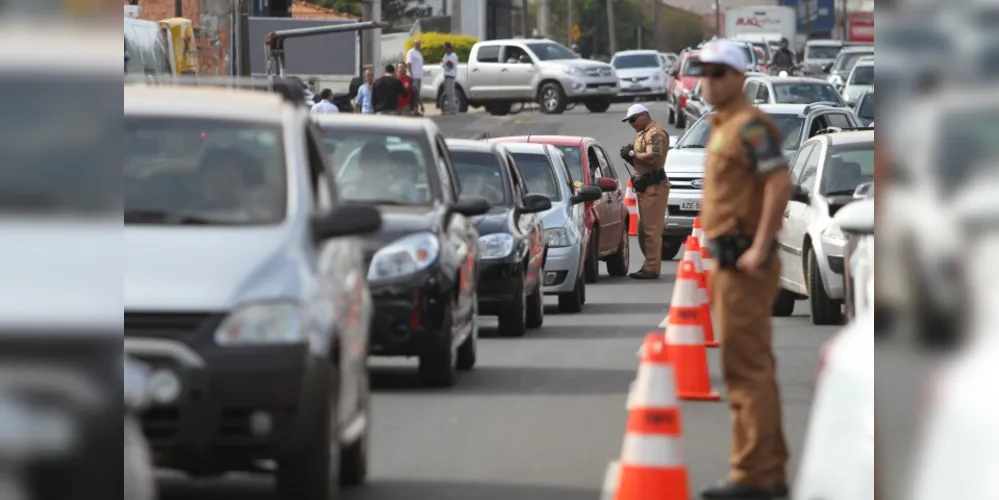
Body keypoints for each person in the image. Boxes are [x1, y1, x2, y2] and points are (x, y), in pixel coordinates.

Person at [695, 39, 792, 500]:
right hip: (727, 260)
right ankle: (768, 471)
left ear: (740, 78)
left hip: (744, 263)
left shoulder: (751, 127)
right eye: (704, 71)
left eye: (719, 72)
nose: (709, 80)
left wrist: (760, 245)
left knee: (745, 370)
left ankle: (752, 474)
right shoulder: (723, 125)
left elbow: (778, 182)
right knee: (753, 367)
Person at [619, 103, 670, 280]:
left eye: (633, 119)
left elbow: (655, 159)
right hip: (645, 186)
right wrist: (630, 157)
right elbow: (642, 163)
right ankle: (649, 264)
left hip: (654, 186)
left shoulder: (655, 133)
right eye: (629, 121)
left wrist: (633, 154)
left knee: (651, 230)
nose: (631, 123)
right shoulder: (642, 134)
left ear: (644, 115)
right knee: (645, 228)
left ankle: (652, 268)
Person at [406, 39, 425, 115]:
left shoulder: (418, 53)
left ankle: (416, 110)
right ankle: (414, 109)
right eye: (418, 44)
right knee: (414, 93)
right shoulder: (411, 52)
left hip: (418, 76)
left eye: (420, 44)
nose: (419, 45)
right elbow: (408, 64)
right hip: (413, 77)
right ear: (414, 44)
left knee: (417, 94)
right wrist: (411, 75)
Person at [440, 41, 460, 115]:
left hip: (451, 76)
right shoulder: (446, 55)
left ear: (449, 48)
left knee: (451, 93)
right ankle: (447, 109)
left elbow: (450, 66)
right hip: (446, 76)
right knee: (447, 93)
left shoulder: (453, 56)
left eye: (445, 48)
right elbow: (443, 63)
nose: (444, 50)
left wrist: (444, 64)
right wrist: (445, 63)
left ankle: (453, 110)